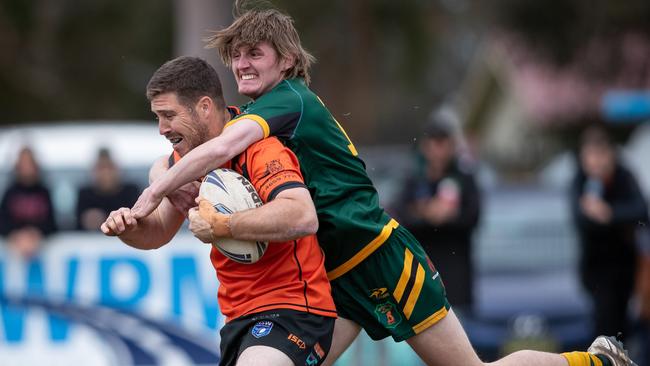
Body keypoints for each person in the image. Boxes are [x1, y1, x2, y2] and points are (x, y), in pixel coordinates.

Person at [130, 4, 637, 366]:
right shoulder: (261, 112)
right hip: (334, 274)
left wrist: (151, 192)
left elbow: (213, 150)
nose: (241, 63)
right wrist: (161, 182)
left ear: (285, 60)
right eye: (235, 55)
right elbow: (200, 155)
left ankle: (592, 362)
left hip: (378, 254)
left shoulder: (289, 99)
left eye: (255, 53)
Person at [100, 56, 336, 366]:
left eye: (168, 115)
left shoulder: (259, 148)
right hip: (238, 319)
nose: (161, 129)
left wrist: (222, 225)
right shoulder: (180, 164)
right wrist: (129, 228)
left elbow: (302, 216)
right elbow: (157, 234)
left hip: (294, 309)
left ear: (205, 107)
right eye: (157, 117)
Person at [395, 113, 481, 313]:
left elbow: (473, 216)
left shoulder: (464, 179)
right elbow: (400, 218)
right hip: (423, 273)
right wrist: (426, 213)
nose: (438, 150)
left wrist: (448, 216)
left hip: (457, 275)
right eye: (433, 142)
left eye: (443, 143)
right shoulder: (414, 180)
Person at [570, 126, 648, 342]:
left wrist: (610, 214)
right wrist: (598, 216)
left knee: (624, 330)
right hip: (595, 269)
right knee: (602, 329)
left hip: (625, 267)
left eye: (600, 154)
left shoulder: (624, 176)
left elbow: (640, 211)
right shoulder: (580, 181)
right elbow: (581, 219)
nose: (595, 162)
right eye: (590, 155)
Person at [0, 146, 57, 259]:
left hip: (40, 252)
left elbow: (52, 223)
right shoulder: (10, 192)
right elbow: (3, 222)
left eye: (29, 163)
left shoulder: (44, 192)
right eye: (23, 163)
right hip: (13, 253)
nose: (26, 168)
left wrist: (35, 234)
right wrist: (16, 235)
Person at [76, 147, 140, 231]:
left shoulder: (131, 191)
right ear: (94, 171)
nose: (106, 173)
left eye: (109, 167)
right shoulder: (85, 194)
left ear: (117, 169)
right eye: (101, 168)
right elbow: (77, 226)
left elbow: (140, 217)